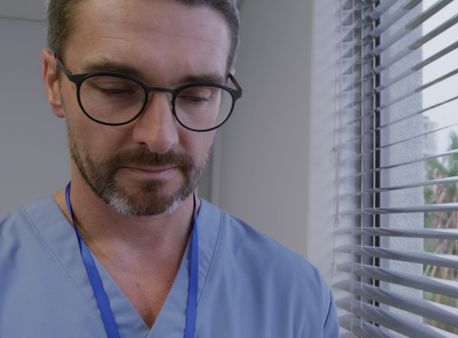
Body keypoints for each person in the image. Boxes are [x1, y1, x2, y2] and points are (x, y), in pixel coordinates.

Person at [0, 0, 338, 337]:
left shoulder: (296, 299)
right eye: (117, 89)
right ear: (53, 83)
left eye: (196, 95)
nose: (160, 138)